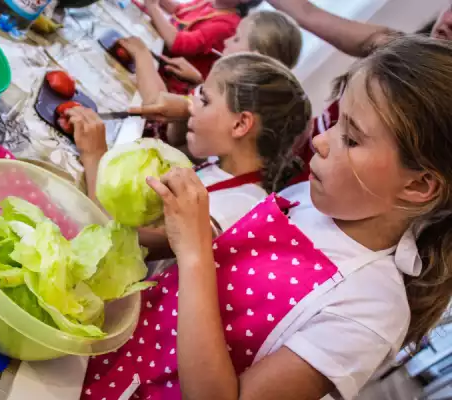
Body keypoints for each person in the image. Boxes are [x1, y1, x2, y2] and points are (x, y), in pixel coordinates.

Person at [78, 35, 452, 400]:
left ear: (419, 185)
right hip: (114, 355)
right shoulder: (306, 198)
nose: (321, 141)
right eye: (337, 121)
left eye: (351, 139)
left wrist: (193, 252)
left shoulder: (373, 308)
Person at [68, 52, 311, 257]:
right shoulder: (223, 163)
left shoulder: (231, 209)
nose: (191, 105)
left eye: (204, 100)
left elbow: (118, 239)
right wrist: (186, 111)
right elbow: (177, 138)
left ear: (240, 125)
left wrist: (94, 154)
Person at [264, 0, 452, 184]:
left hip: (320, 189)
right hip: (287, 155)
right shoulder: (398, 50)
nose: (449, 19)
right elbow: (308, 13)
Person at [120, 10, 303, 148]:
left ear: (252, 57)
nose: (226, 42)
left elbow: (158, 109)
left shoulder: (227, 98)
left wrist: (141, 53)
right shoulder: (244, 99)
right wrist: (197, 83)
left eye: (237, 39)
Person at [141, 0, 261, 94]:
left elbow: (178, 43)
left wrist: (153, 7)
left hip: (169, 86)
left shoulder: (228, 25)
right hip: (156, 61)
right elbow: (180, 10)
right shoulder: (212, 3)